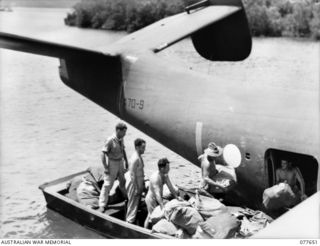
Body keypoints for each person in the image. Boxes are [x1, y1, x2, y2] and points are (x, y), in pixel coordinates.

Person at [98, 122, 128, 213]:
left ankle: (126, 197)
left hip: (120, 162)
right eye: (124, 132)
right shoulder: (110, 140)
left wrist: (126, 161)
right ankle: (102, 205)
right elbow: (103, 153)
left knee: (122, 182)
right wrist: (106, 167)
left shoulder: (121, 139)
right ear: (118, 130)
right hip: (112, 163)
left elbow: (123, 150)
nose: (125, 134)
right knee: (108, 184)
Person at [144, 158, 182, 228]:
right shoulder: (155, 178)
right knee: (152, 217)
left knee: (154, 215)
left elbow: (170, 187)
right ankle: (146, 232)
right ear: (162, 168)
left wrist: (177, 197)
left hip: (158, 198)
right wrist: (162, 207)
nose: (169, 169)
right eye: (168, 168)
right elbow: (157, 194)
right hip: (151, 199)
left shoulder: (165, 175)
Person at [125, 138, 146, 224]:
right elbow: (132, 174)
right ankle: (129, 223)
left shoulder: (138, 156)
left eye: (144, 147)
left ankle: (132, 221)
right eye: (142, 147)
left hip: (138, 183)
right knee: (132, 206)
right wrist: (136, 188)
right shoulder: (135, 158)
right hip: (134, 184)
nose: (144, 149)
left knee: (135, 205)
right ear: (137, 147)